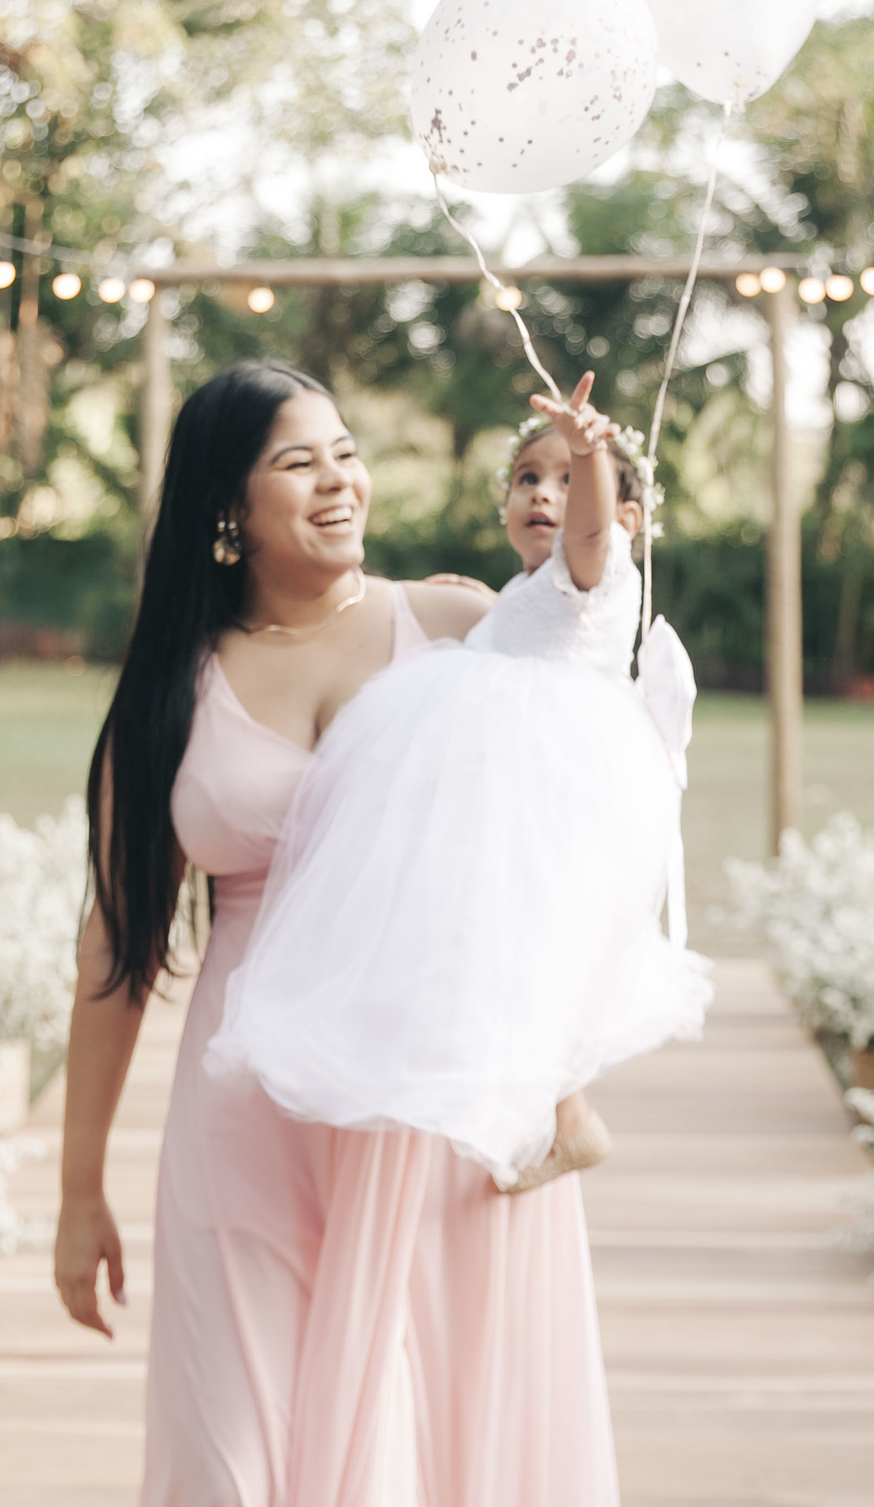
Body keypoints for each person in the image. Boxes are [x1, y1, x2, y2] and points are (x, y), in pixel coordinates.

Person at [54, 359, 623, 1507]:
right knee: (234, 1452)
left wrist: (594, 469)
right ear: (228, 505)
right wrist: (79, 1192)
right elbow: (115, 953)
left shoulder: (460, 628)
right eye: (298, 462)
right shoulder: (173, 691)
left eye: (347, 454)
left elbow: (572, 815)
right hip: (247, 1119)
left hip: (435, 1108)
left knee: (444, 1435)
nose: (338, 481)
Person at [207, 373, 712, 1193]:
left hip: (543, 776)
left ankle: (559, 1114)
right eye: (527, 478)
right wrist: (476, 601)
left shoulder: (596, 560)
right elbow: (528, 623)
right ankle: (564, 1113)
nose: (543, 494)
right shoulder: (530, 585)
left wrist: (588, 452)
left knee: (502, 938)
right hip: (514, 769)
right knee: (492, 939)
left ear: (625, 520)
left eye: (566, 482)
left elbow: (583, 538)